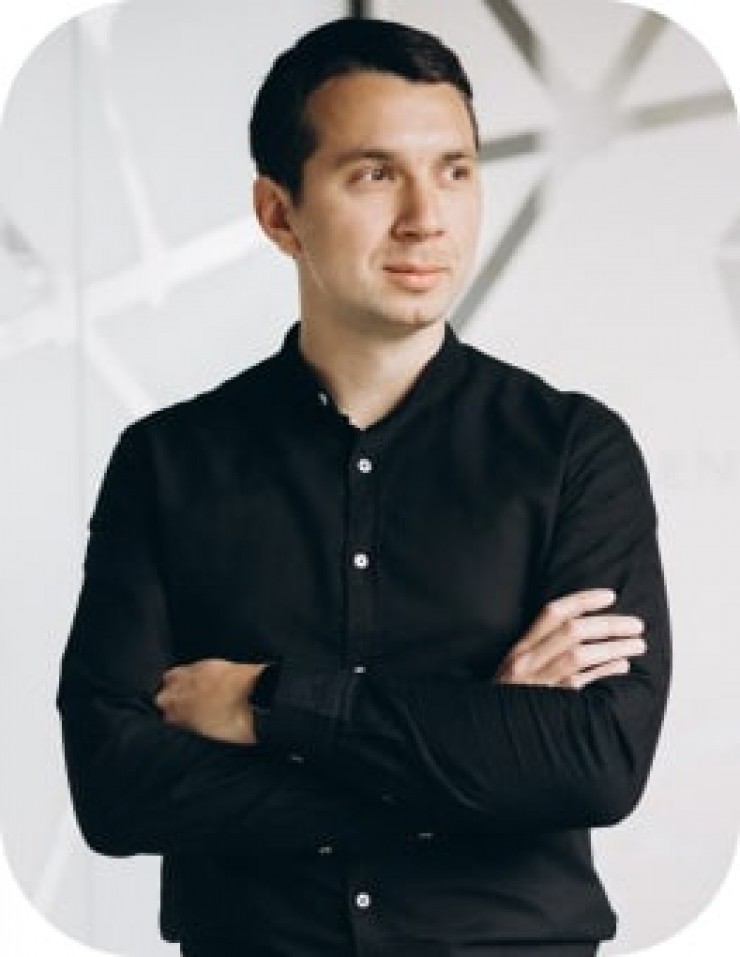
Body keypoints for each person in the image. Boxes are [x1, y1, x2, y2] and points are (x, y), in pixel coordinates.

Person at [56, 17, 671, 957]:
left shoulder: (575, 451)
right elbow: (116, 788)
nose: (427, 217)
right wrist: (476, 750)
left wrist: (268, 704)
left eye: (454, 170)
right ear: (279, 213)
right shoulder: (166, 461)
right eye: (375, 173)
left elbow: (597, 764)